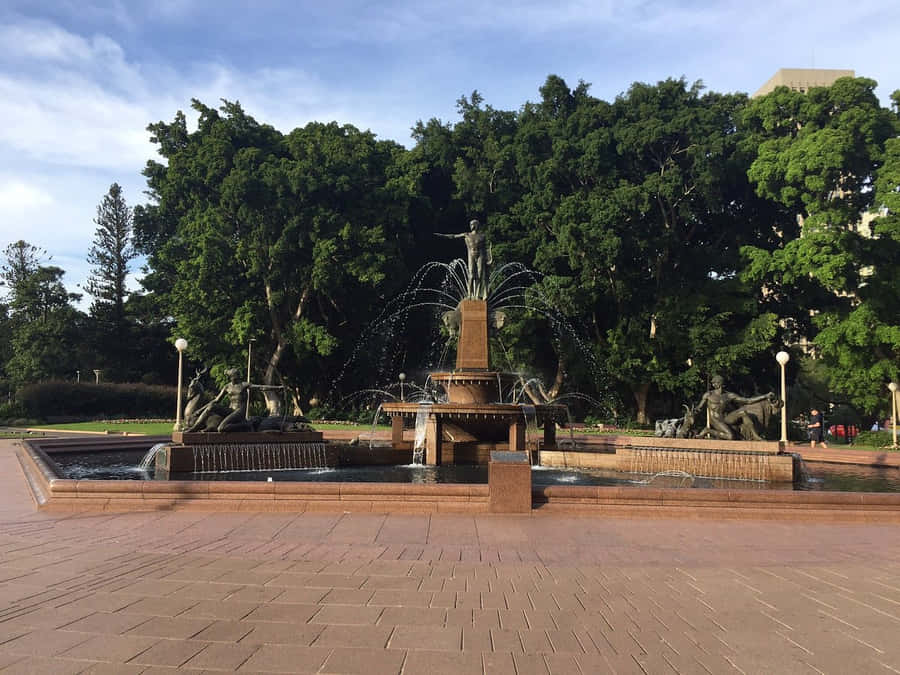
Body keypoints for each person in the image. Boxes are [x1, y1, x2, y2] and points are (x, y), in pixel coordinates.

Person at [693, 375, 776, 440]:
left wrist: (765, 396)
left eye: (716, 382)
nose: (714, 384)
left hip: (726, 418)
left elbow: (748, 401)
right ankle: (708, 430)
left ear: (721, 383)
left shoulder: (728, 395)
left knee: (743, 412)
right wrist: (696, 411)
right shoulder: (709, 395)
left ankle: (755, 436)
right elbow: (699, 407)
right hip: (715, 420)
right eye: (713, 383)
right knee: (730, 436)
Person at [435, 219, 490, 299]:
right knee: (471, 275)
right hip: (471, 255)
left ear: (476, 225)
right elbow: (454, 236)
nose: (471, 226)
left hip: (480, 255)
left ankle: (477, 295)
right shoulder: (467, 234)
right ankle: (469, 295)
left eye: (472, 224)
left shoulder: (482, 236)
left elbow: (485, 249)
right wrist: (443, 235)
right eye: (471, 224)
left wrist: (487, 259)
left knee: (480, 274)